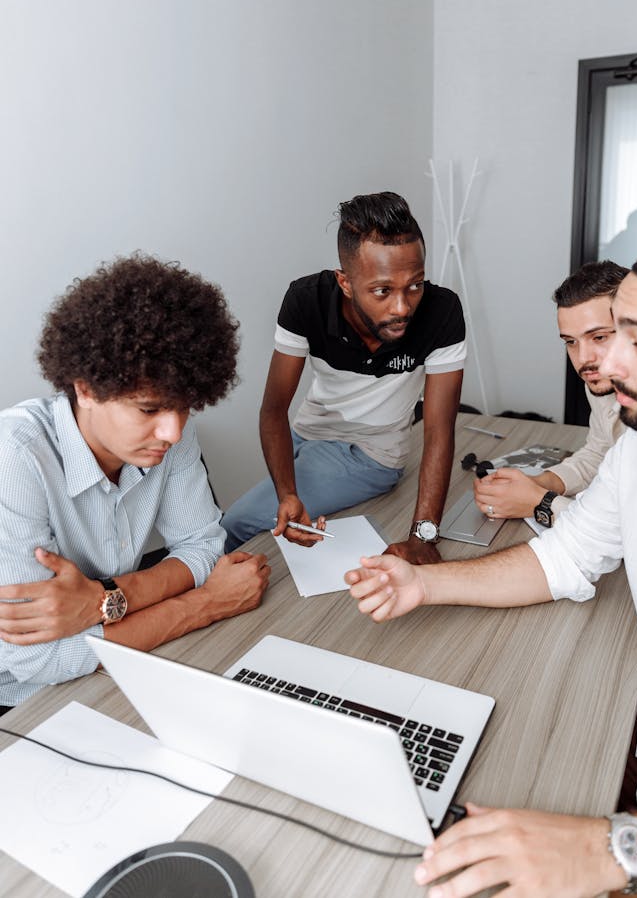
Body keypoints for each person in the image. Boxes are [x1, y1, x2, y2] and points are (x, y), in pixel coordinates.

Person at [346, 235, 637, 895]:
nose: (609, 365)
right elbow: (563, 555)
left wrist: (609, 849)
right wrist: (425, 582)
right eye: (607, 337)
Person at [0, 255, 270, 710]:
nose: (173, 432)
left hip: (120, 662)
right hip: (26, 703)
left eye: (184, 407)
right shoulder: (15, 459)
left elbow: (203, 546)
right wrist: (205, 604)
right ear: (85, 388)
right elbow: (40, 660)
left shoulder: (169, 434)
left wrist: (106, 601)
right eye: (148, 410)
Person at [221, 192, 466, 565]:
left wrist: (424, 535)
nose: (402, 308)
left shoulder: (443, 312)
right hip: (307, 433)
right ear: (345, 283)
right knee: (255, 518)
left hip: (371, 454)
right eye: (382, 291)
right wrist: (287, 494)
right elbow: (274, 410)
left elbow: (438, 430)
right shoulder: (306, 302)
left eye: (414, 285)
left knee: (235, 524)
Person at [474, 260, 628, 528]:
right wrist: (543, 482)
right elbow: (600, 452)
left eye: (599, 337)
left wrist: (540, 502)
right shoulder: (600, 376)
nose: (583, 359)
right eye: (571, 342)